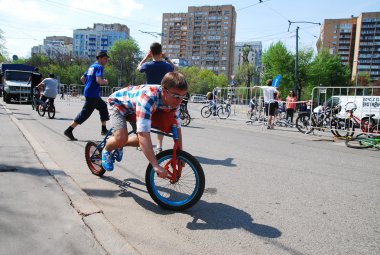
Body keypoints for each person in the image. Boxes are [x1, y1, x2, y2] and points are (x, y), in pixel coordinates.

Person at [101, 71, 188, 178]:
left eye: (183, 96)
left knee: (139, 142)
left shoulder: (175, 100)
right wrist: (155, 166)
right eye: (176, 96)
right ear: (164, 91)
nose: (180, 100)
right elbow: (144, 134)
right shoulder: (148, 98)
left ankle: (118, 145)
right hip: (118, 104)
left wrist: (180, 154)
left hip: (135, 107)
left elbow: (177, 127)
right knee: (121, 138)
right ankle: (106, 149)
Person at [64, 50, 110, 141]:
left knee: (103, 107)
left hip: (92, 93)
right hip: (92, 94)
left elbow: (82, 78)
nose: (106, 60)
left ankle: (104, 129)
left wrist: (88, 85)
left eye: (107, 59)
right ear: (99, 58)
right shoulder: (99, 67)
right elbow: (98, 80)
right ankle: (69, 130)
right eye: (105, 58)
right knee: (85, 114)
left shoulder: (91, 67)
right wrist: (105, 81)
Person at [137, 42, 175, 153]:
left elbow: (138, 67)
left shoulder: (147, 65)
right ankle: (159, 146)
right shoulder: (166, 65)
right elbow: (174, 68)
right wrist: (166, 57)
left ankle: (142, 143)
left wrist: (145, 58)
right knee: (160, 121)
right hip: (161, 97)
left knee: (143, 119)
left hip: (149, 97)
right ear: (161, 52)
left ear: (151, 52)